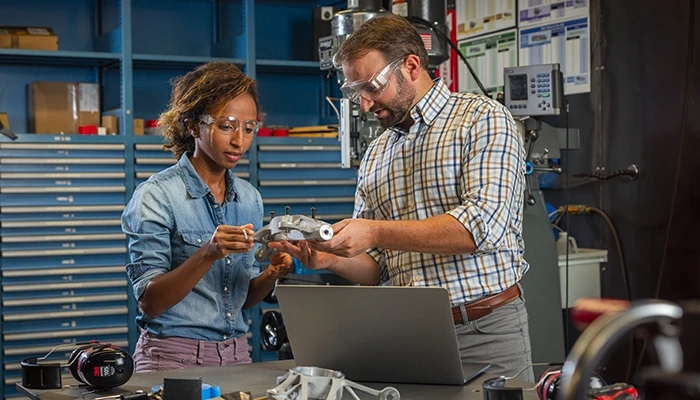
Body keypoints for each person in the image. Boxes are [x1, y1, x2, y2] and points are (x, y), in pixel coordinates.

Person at [270, 14, 534, 381]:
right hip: (408, 336)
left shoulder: (483, 120)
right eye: (354, 93)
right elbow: (378, 268)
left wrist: (375, 231)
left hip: (483, 330)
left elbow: (480, 228)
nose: (364, 105)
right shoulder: (377, 153)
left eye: (372, 87)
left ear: (411, 65)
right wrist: (331, 258)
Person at [121, 62, 293, 372]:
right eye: (226, 126)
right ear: (192, 125)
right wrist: (208, 253)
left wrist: (271, 275)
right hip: (172, 359)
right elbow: (150, 302)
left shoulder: (249, 198)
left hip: (237, 355)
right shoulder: (157, 196)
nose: (239, 141)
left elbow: (238, 300)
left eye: (249, 127)